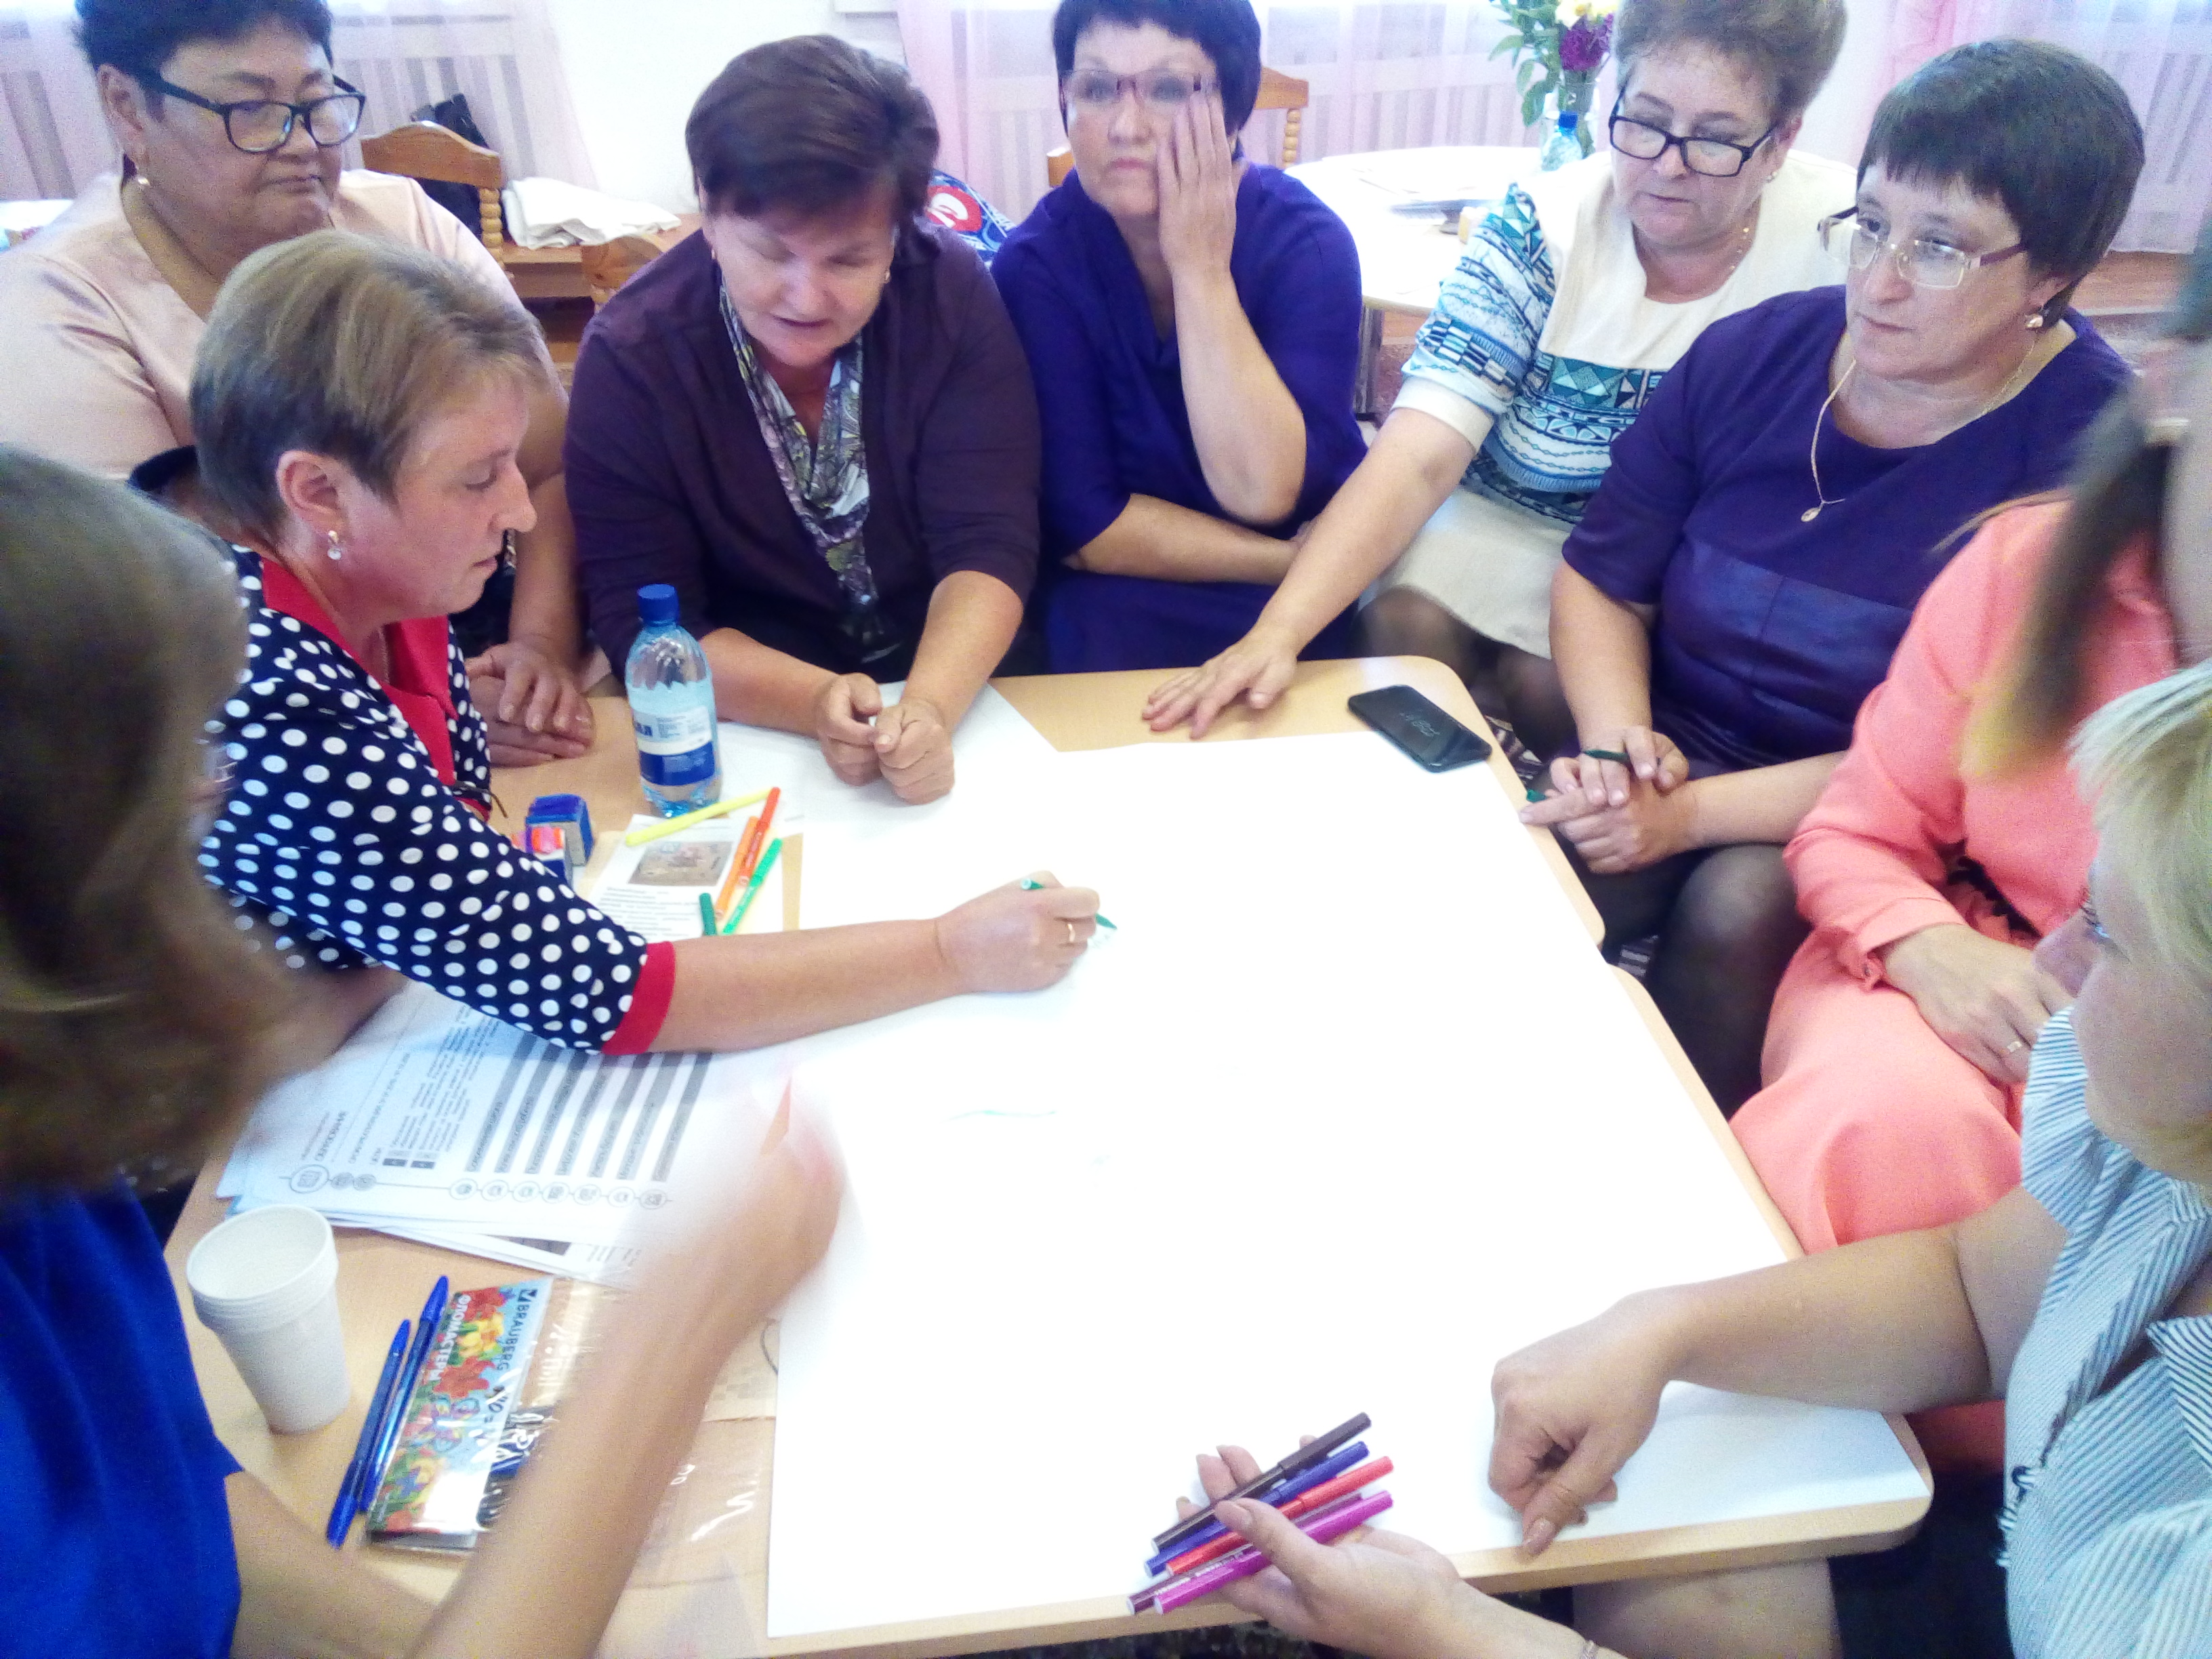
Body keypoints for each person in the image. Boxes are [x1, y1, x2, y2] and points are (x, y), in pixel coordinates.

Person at [1154, 653, 2212, 1658]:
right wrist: (1664, 1330)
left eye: (2112, 936)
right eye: (2081, 905)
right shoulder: (2163, 1140)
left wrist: (1451, 1631)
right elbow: (1979, 1295)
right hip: (2031, 1544)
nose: (2052, 962)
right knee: (1674, 1513)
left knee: (1655, 1545)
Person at [0, 443, 848, 1659]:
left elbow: (160, 1487)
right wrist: (683, 1318)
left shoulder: (46, 1165)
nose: (214, 794)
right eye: (167, 768)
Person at [189, 230, 1099, 1059]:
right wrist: (947, 951)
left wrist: (385, 958)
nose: (520, 512)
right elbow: (605, 992)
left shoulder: (395, 589)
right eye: (476, 479)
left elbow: (449, 862)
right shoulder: (272, 700)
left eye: (511, 465)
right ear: (319, 493)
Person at [1492, 41, 2138, 1111]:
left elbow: (1975, 758)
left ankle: (1701, 1172)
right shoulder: (1754, 354)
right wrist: (1618, 746)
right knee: (1543, 873)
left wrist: (1690, 817)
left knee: (1741, 904)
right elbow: (1604, 576)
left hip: (1887, 819)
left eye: (1941, 249)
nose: (1879, 283)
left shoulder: (2094, 463)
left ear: (2055, 273)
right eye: (1871, 224)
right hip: (1674, 739)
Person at [1726, 222, 2212, 1470]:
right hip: (1948, 967)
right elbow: (1855, 828)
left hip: (2165, 1061)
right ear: (2171, 384)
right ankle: (1818, 1483)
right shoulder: (2025, 569)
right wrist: (1927, 947)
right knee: (1880, 1129)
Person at [1145, 0, 1854, 734]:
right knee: (1404, 639)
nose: (1667, 165)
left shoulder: (1845, 241)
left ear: (1781, 140)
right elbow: (1417, 457)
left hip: (1669, 559)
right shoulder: (1545, 227)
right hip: (1501, 519)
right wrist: (1276, 634)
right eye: (1645, 122)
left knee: (1553, 690)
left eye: (1714, 139)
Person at [0, 0, 595, 769]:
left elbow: (545, 466)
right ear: (128, 105)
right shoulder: (59, 306)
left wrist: (537, 652)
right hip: (259, 711)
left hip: (460, 630)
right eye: (250, 110)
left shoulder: (402, 224)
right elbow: (142, 622)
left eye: (317, 103)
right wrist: (386, 712)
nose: (303, 144)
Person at [566, 37, 1040, 807]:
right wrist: (816, 702)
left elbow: (990, 540)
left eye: (848, 261)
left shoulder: (945, 292)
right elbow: (647, 619)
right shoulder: (634, 358)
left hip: (965, 681)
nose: (806, 296)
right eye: (770, 252)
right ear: (709, 213)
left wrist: (927, 707)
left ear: (898, 237)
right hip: (757, 709)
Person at [989, 0, 1366, 673]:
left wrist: (1201, 270)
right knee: (1088, 633)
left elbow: (1265, 493)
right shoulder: (1036, 266)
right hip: (1127, 590)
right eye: (1096, 88)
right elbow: (1088, 527)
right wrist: (1288, 561)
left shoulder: (1306, 245)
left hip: (1290, 606)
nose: (1126, 127)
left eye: (1166, 89)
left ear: (1234, 110)